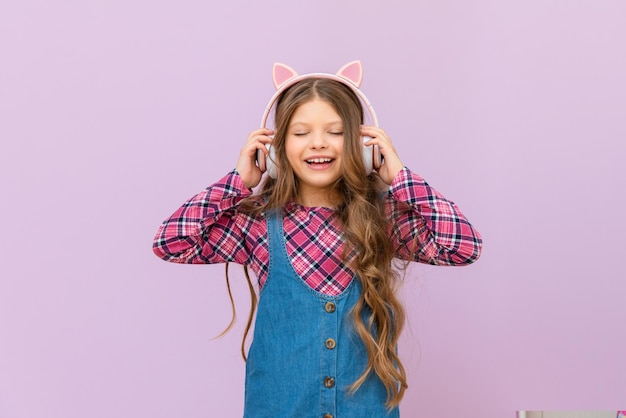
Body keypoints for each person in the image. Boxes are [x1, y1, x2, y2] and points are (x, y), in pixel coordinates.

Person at [152, 61, 482, 418]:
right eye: (300, 132)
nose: (318, 143)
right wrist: (238, 181)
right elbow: (171, 241)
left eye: (336, 132)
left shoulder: (381, 218)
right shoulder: (258, 222)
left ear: (364, 144)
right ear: (274, 147)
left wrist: (400, 177)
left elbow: (462, 246)